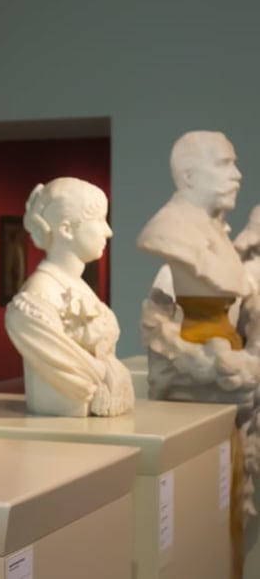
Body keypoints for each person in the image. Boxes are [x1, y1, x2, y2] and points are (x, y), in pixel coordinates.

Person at [138, 130, 260, 517]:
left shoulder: (217, 234)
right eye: (225, 163)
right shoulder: (170, 231)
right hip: (201, 355)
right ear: (189, 176)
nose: (238, 174)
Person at [5, 177, 134, 417]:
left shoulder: (79, 288)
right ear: (66, 229)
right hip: (63, 415)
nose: (108, 231)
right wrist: (103, 373)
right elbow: (77, 371)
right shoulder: (37, 298)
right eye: (98, 221)